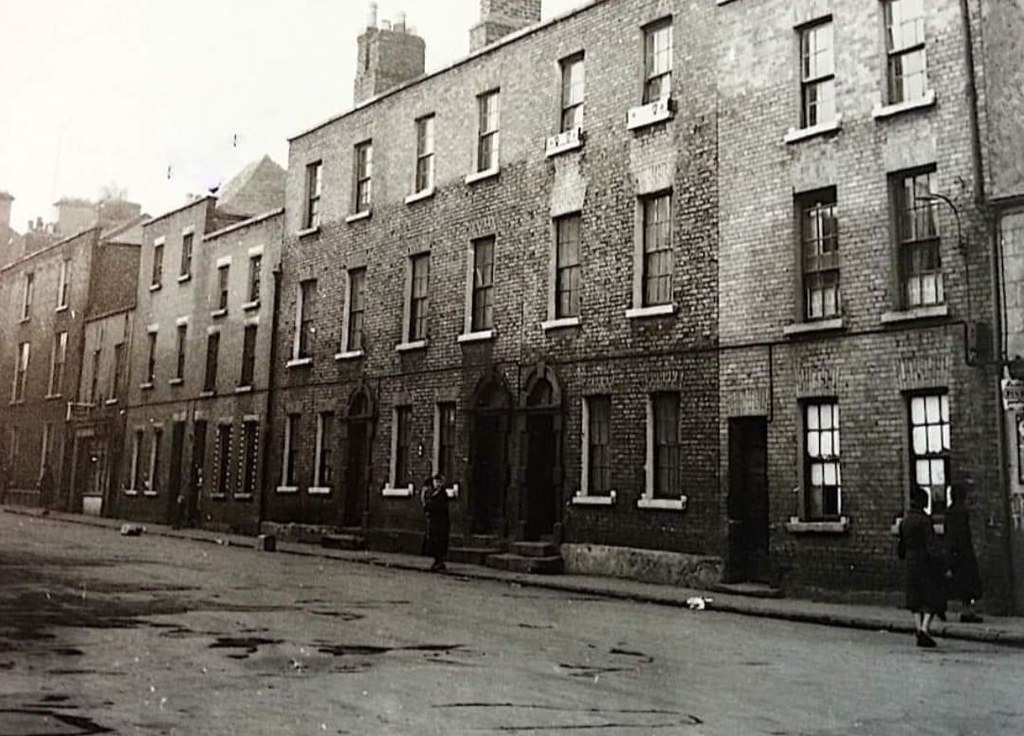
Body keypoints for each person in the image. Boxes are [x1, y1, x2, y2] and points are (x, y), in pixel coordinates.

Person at [898, 486, 948, 647]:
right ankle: (924, 629)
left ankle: (919, 628)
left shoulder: (905, 520)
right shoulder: (925, 520)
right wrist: (941, 562)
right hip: (924, 561)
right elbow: (930, 544)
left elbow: (901, 545)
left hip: (911, 560)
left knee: (915, 597)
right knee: (930, 596)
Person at [945, 484, 984, 623]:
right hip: (964, 553)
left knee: (961, 584)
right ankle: (968, 612)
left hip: (954, 553)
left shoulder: (949, 512)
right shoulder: (962, 512)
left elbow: (949, 535)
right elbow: (963, 535)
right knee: (970, 584)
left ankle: (965, 611)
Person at [421, 473, 450, 572]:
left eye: (439, 482)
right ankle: (437, 561)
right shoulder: (433, 493)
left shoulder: (442, 494)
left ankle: (439, 562)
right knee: (434, 542)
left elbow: (438, 508)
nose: (437, 484)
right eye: (436, 482)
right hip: (435, 523)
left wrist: (429, 507)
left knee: (439, 542)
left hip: (441, 523)